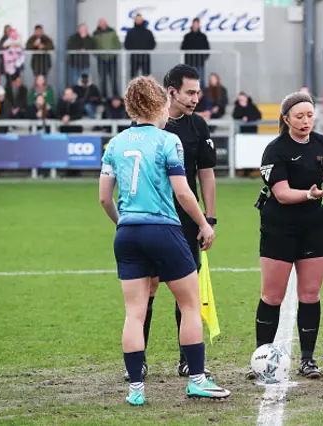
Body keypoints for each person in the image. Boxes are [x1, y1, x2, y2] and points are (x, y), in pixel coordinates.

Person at [99, 75, 230, 405]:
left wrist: (123, 224)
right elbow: (183, 191)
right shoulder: (168, 140)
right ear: (160, 103)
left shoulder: (115, 143)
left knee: (134, 313)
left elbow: (103, 198)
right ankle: (197, 379)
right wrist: (204, 223)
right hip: (164, 230)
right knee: (188, 304)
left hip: (127, 233)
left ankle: (136, 390)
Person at [249, 91, 323, 379]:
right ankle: (262, 358)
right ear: (286, 119)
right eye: (299, 116)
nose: (306, 121)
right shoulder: (275, 150)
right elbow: (281, 194)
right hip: (279, 227)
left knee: (310, 293)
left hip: (314, 226)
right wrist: (310, 193)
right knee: (272, 295)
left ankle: (308, 360)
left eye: (309, 115)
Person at [132, 65, 218, 380]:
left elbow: (206, 175)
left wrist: (209, 218)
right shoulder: (147, 126)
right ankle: (137, 360)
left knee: (188, 291)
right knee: (148, 288)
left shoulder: (199, 127)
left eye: (198, 92)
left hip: (187, 221)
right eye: (190, 92)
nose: (196, 98)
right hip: (153, 218)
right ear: (171, 92)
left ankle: (187, 360)